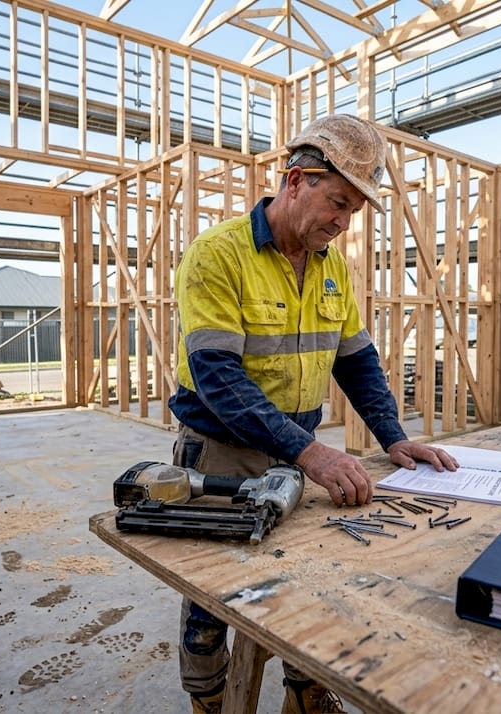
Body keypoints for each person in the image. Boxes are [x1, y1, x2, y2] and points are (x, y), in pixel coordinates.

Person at [168, 113, 460, 714]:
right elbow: (218, 378)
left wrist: (394, 438)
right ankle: (209, 699)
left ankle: (305, 694)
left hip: (296, 447)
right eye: (337, 202)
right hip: (222, 448)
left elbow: (356, 360)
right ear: (296, 181)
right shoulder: (216, 255)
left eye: (353, 210)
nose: (343, 222)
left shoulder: (331, 268)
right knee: (212, 589)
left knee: (304, 575)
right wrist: (313, 451)